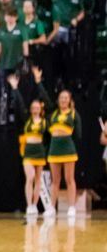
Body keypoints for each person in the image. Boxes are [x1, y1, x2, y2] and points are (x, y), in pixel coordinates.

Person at [8, 68, 50, 216]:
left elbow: (47, 101)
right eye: (33, 107)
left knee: (38, 179)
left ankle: (34, 204)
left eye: (37, 107)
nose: (35, 109)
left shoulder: (45, 121)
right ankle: (29, 205)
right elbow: (19, 104)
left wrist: (39, 82)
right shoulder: (27, 118)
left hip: (40, 150)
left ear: (41, 109)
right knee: (30, 177)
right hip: (29, 151)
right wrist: (15, 88)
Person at [46, 88, 81, 219]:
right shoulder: (53, 114)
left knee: (69, 179)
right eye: (61, 97)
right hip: (54, 149)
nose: (63, 100)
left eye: (66, 97)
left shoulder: (73, 114)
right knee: (55, 181)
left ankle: (72, 207)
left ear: (70, 100)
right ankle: (51, 207)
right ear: (58, 100)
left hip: (68, 149)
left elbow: (79, 134)